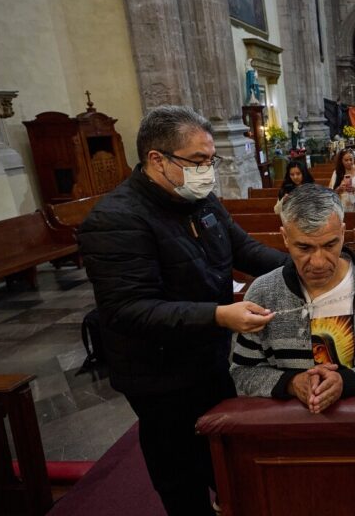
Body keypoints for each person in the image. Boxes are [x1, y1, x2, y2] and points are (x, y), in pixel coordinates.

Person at [78, 105, 287, 516]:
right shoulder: (114, 220)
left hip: (209, 360)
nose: (206, 171)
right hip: (159, 376)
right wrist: (218, 315)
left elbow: (244, 249)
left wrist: (305, 263)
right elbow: (129, 310)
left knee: (227, 461)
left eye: (211, 160)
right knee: (182, 475)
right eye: (197, 161)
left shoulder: (201, 200)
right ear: (157, 159)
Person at [231, 184, 355, 410]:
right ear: (285, 237)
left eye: (330, 245)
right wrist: (292, 383)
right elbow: (242, 371)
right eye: (304, 248)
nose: (318, 262)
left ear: (343, 233)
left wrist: (347, 382)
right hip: (290, 431)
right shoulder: (263, 293)